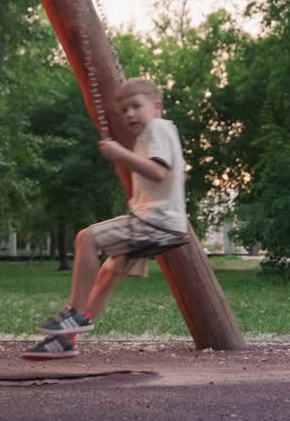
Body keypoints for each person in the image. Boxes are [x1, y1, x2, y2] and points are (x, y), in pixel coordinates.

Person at [22, 77, 190, 360]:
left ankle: (74, 314)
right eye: (124, 110)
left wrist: (120, 154)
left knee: (86, 238)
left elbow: (159, 172)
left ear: (158, 106)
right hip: (163, 225)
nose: (129, 114)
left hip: (153, 224)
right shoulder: (162, 132)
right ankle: (65, 342)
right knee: (107, 274)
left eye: (136, 106)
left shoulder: (157, 128)